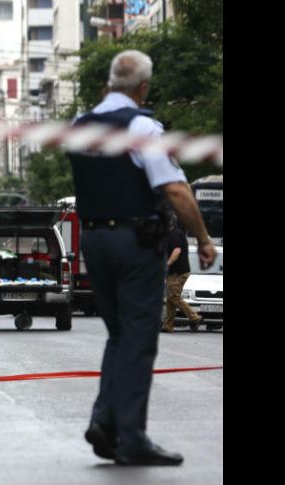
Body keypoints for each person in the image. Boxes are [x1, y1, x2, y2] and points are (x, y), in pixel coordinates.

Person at [66, 50, 216, 466]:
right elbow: (175, 189)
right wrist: (202, 238)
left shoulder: (80, 126)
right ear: (143, 88)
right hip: (134, 242)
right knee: (139, 339)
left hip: (93, 241)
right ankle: (130, 438)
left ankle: (105, 423)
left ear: (108, 85)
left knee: (120, 335)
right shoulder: (142, 126)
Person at [161, 214, 203, 333]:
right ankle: (168, 325)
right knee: (170, 298)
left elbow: (177, 251)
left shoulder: (175, 234)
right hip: (172, 273)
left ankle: (195, 317)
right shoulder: (169, 234)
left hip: (179, 272)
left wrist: (167, 264)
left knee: (173, 296)